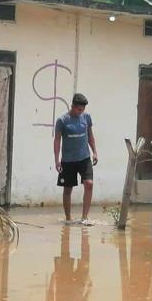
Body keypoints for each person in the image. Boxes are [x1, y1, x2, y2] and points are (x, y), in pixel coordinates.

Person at [54, 93, 98, 225]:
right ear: (72, 106)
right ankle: (68, 218)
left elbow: (90, 136)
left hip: (84, 158)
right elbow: (57, 140)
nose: (81, 112)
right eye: (78, 109)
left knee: (89, 184)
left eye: (83, 109)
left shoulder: (87, 118)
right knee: (67, 189)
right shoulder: (62, 120)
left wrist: (95, 151)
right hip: (68, 160)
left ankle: (84, 218)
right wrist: (56, 160)